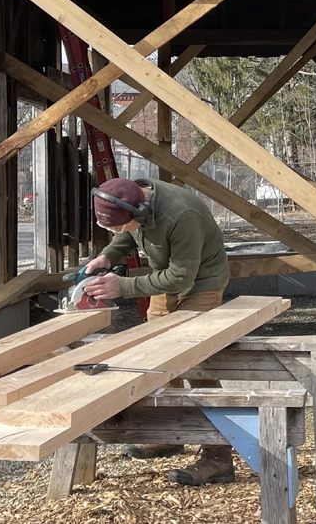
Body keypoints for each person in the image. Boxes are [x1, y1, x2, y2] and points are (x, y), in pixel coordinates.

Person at [83, 176, 233, 486]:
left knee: (196, 362)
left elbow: (180, 277)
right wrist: (107, 255)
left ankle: (218, 456)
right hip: (169, 275)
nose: (117, 232)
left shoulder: (181, 215)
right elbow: (128, 233)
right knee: (158, 356)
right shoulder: (133, 203)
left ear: (138, 212)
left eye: (119, 227)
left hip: (201, 281)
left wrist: (121, 286)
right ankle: (169, 434)